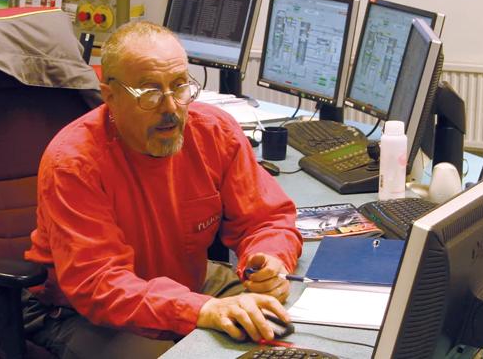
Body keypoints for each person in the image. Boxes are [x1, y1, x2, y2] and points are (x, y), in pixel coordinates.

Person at [23, 21, 304, 358]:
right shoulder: (74, 162)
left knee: (291, 324)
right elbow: (100, 285)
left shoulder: (215, 132)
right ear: (109, 96)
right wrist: (200, 310)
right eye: (150, 92)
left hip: (187, 282)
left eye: (180, 86)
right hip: (77, 312)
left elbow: (266, 219)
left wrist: (269, 261)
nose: (171, 107)